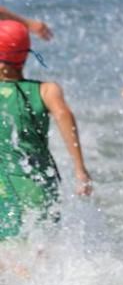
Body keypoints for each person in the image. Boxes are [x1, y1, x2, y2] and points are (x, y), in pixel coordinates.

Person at [0, 21, 91, 241]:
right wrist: (80, 170)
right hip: (41, 182)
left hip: (7, 187)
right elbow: (64, 118)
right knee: (39, 248)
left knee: (11, 254)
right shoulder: (47, 90)